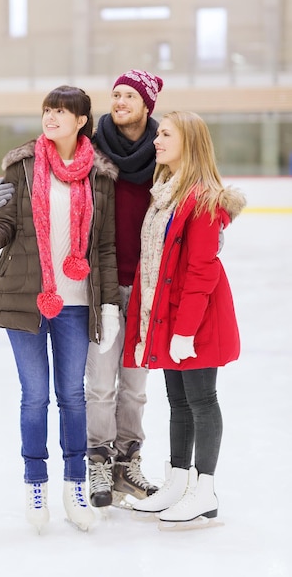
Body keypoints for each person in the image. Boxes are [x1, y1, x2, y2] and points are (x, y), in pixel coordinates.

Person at [0, 70, 164, 510]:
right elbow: (39, 175)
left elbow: (189, 191)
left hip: (145, 282)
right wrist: (3, 197)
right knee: (98, 386)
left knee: (136, 387)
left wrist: (212, 219)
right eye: (116, 94)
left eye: (131, 95)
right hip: (96, 282)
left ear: (148, 104)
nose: (121, 101)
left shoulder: (163, 151)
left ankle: (129, 462)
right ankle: (98, 462)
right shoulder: (96, 148)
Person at [0, 86, 121, 533]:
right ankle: (35, 481)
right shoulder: (22, 168)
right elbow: (4, 224)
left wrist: (108, 303)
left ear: (82, 120)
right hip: (25, 298)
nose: (52, 117)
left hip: (76, 303)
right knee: (34, 397)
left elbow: (104, 247)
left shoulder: (101, 177)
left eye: (62, 111)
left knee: (72, 397)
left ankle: (75, 485)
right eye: (48, 110)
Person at [123, 110, 246, 529]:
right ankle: (177, 481)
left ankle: (205, 490)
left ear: (188, 142)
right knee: (178, 402)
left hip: (195, 321)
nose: (157, 140)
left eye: (166, 134)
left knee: (201, 400)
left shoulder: (203, 198)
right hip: (169, 317)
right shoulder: (165, 193)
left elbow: (202, 270)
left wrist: (185, 330)